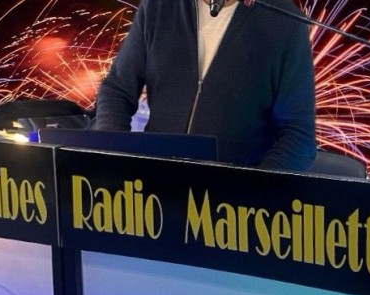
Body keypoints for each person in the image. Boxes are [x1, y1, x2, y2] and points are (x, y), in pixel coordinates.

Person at [93, 0, 317, 171]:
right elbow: (117, 91)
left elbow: (298, 136)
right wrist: (113, 156)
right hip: (154, 189)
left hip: (232, 205)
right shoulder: (158, 6)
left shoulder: (285, 23)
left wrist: (255, 192)